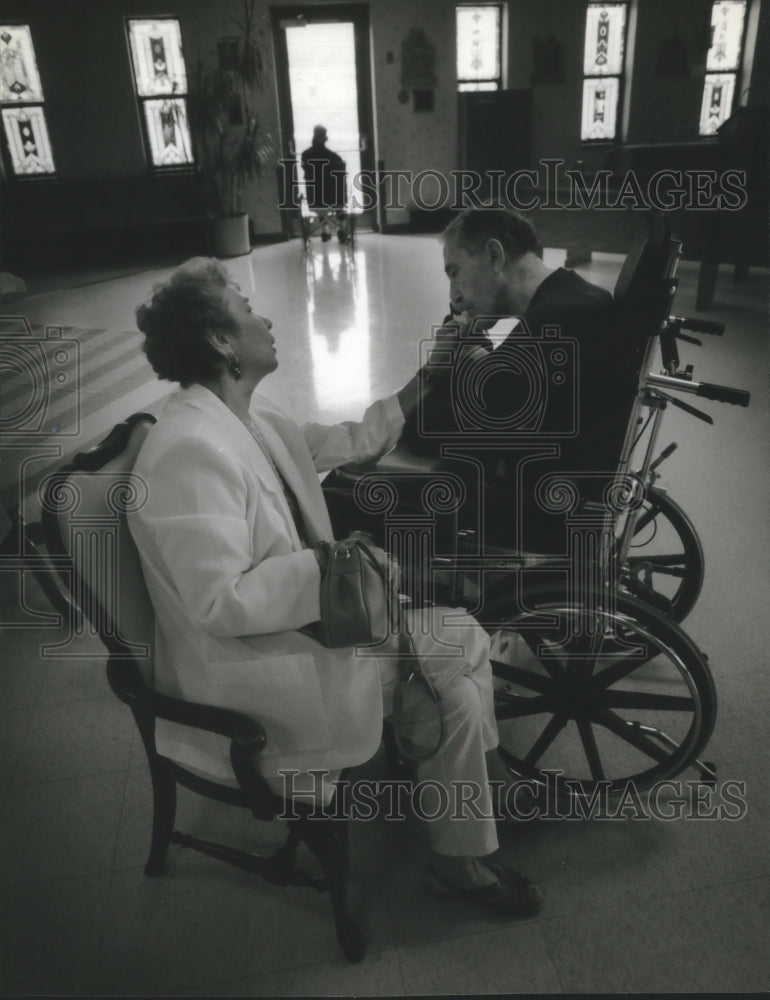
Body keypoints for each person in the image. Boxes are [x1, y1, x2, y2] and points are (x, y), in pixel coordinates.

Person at [127, 256, 541, 917]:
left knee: (455, 691)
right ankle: (472, 803)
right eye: (244, 306)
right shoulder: (189, 448)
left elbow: (354, 440)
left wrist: (431, 373)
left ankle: (459, 846)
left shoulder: (251, 419)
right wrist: (340, 566)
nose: (263, 317)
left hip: (300, 627)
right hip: (250, 670)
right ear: (221, 341)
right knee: (463, 639)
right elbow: (218, 601)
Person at [398, 208, 625, 552]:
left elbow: (423, 426)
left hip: (530, 504)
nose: (454, 296)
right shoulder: (577, 297)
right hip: (552, 476)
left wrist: (441, 361)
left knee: (354, 488)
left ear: (494, 255)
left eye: (455, 272)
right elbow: (501, 387)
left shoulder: (557, 319)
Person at [301, 125, 348, 242]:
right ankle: (341, 227)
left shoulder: (305, 155)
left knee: (318, 190)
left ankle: (324, 231)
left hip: (315, 199)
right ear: (324, 138)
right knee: (338, 184)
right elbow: (341, 168)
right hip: (334, 198)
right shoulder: (333, 156)